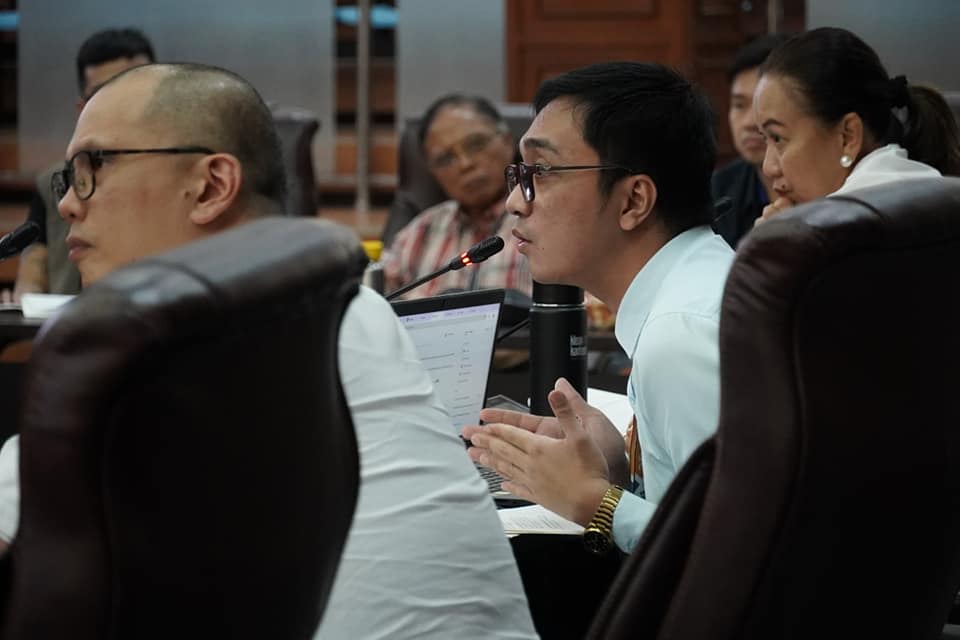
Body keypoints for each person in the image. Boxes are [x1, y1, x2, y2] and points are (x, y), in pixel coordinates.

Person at [0, 63, 538, 640]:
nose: (68, 205)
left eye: (94, 168)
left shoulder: (147, 356)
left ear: (211, 185)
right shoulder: (354, 308)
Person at [463, 62, 735, 555]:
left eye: (542, 172)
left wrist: (596, 501)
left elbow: (735, 551)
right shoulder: (700, 278)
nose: (514, 202)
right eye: (519, 173)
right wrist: (619, 468)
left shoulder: (682, 334)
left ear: (633, 201)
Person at [2, 28, 155, 303]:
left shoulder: (177, 174)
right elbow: (32, 276)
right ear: (83, 108)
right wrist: (26, 299)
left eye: (135, 89)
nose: (122, 104)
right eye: (103, 93)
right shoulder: (53, 183)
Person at [753, 27, 960, 224]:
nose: (768, 168)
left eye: (778, 138)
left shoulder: (839, 230)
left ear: (848, 136)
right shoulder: (924, 192)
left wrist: (779, 242)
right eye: (765, 138)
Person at [382, 94, 532, 299]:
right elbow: (373, 302)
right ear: (433, 173)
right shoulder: (417, 234)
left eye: (476, 145)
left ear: (507, 141)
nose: (465, 164)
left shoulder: (543, 223)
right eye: (446, 158)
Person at [711, 33, 789, 248]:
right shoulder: (718, 191)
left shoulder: (830, 190)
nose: (749, 122)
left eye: (761, 106)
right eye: (739, 105)